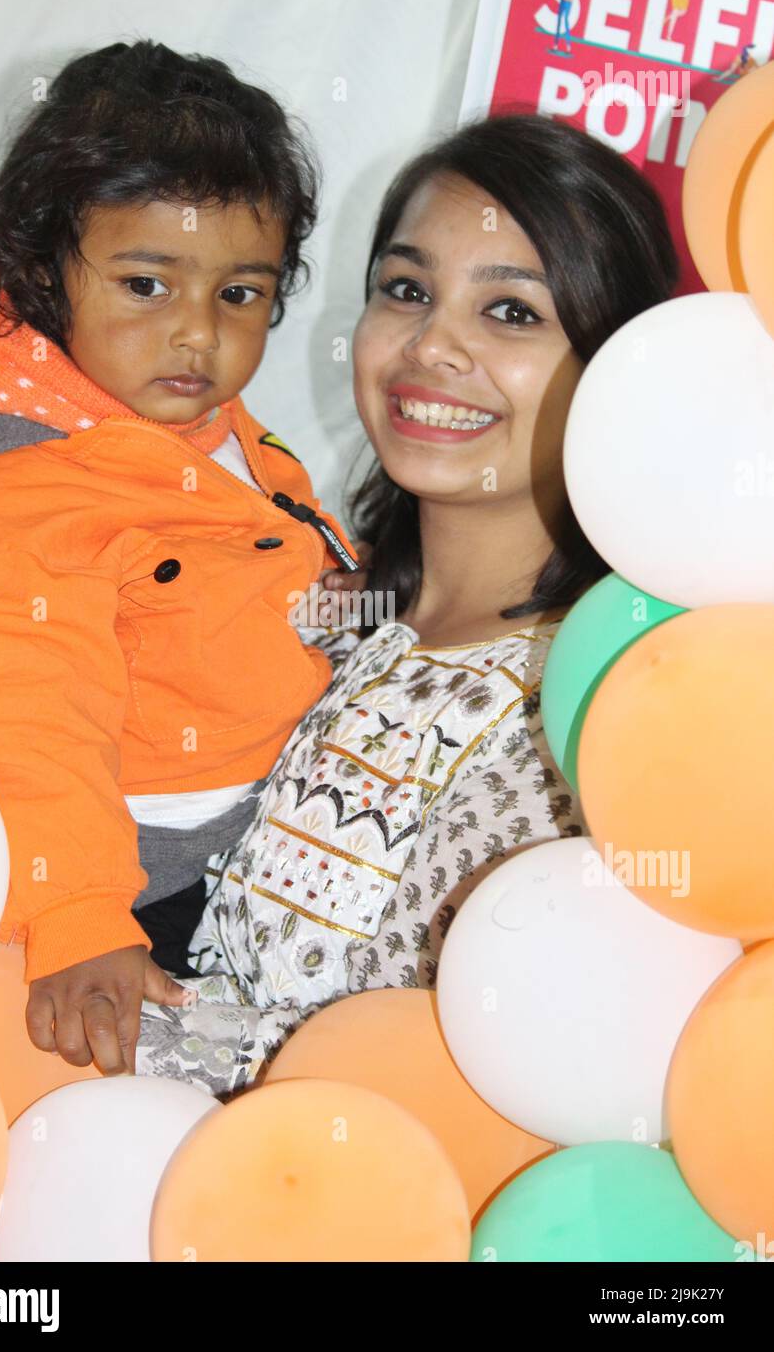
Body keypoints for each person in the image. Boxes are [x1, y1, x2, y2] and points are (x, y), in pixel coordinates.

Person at [135, 112, 680, 1096]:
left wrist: (85, 1021)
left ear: (612, 365)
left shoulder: (585, 714)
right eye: (405, 290)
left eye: (510, 311)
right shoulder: (305, 604)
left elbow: (399, 1075)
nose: (430, 346)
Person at [0, 40, 362, 1078]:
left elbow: (265, 553)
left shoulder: (177, 412)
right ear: (40, 269)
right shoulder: (10, 480)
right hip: (144, 900)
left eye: (240, 295)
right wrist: (76, 917)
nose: (196, 335)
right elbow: (16, 713)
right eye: (146, 283)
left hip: (265, 833)